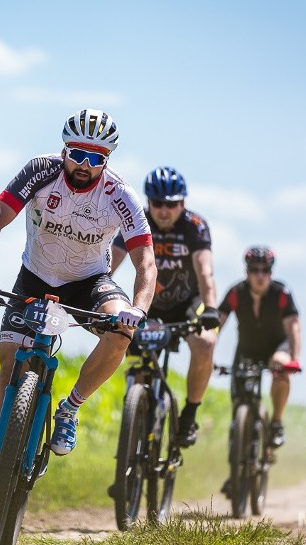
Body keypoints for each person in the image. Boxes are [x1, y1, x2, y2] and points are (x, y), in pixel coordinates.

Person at [0, 108, 157, 520]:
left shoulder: (121, 195)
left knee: (120, 333)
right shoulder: (40, 171)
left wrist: (138, 308)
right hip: (34, 277)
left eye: (95, 158)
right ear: (64, 149)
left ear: (108, 159)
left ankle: (70, 408)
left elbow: (145, 261)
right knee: (8, 367)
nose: (83, 165)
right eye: (76, 154)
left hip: (89, 281)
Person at [111, 166, 220, 448]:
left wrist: (210, 308)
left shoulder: (194, 225)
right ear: (148, 202)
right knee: (132, 360)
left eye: (171, 204)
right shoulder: (137, 220)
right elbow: (110, 260)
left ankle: (189, 415)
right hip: (146, 304)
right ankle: (132, 434)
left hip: (188, 303)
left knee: (206, 343)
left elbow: (205, 271)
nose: (163, 210)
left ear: (183, 202)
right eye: (157, 203)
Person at [216, 246, 301, 497]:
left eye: (265, 270)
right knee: (238, 409)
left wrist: (294, 358)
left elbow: (294, 327)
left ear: (271, 272)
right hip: (246, 351)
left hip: (277, 348)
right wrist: (206, 351)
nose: (260, 275)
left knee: (279, 364)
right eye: (255, 270)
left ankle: (275, 423)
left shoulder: (281, 293)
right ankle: (237, 472)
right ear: (247, 271)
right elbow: (216, 324)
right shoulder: (235, 292)